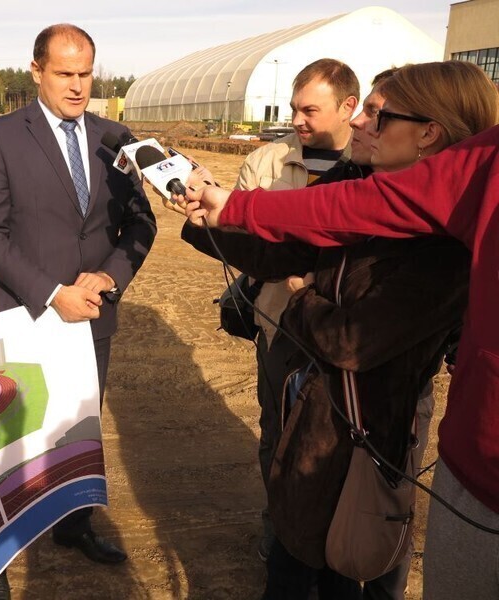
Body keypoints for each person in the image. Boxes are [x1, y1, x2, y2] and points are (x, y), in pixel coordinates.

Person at [187, 61, 499, 600]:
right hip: (311, 409)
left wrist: (302, 298)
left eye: (379, 114)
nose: (358, 123)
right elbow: (287, 244)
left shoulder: (442, 245)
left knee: (356, 567)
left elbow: (352, 340)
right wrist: (209, 222)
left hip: (367, 429)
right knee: (291, 559)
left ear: (429, 135)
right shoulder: (358, 181)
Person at [0, 22, 156, 588]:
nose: (77, 86)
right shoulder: (0, 135)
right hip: (28, 317)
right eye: (64, 74)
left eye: (86, 74)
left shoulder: (116, 137)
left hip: (94, 318)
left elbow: (140, 223)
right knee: (19, 435)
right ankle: (5, 536)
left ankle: (74, 526)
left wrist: (109, 277)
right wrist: (53, 294)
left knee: (79, 429)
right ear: (36, 71)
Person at [229, 58, 359, 562]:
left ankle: (340, 540)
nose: (298, 120)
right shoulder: (266, 162)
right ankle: (279, 528)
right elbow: (239, 237)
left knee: (340, 443)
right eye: (293, 109)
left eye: (310, 110)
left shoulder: (374, 162)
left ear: (349, 107)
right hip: (279, 326)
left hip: (348, 334)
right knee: (277, 434)